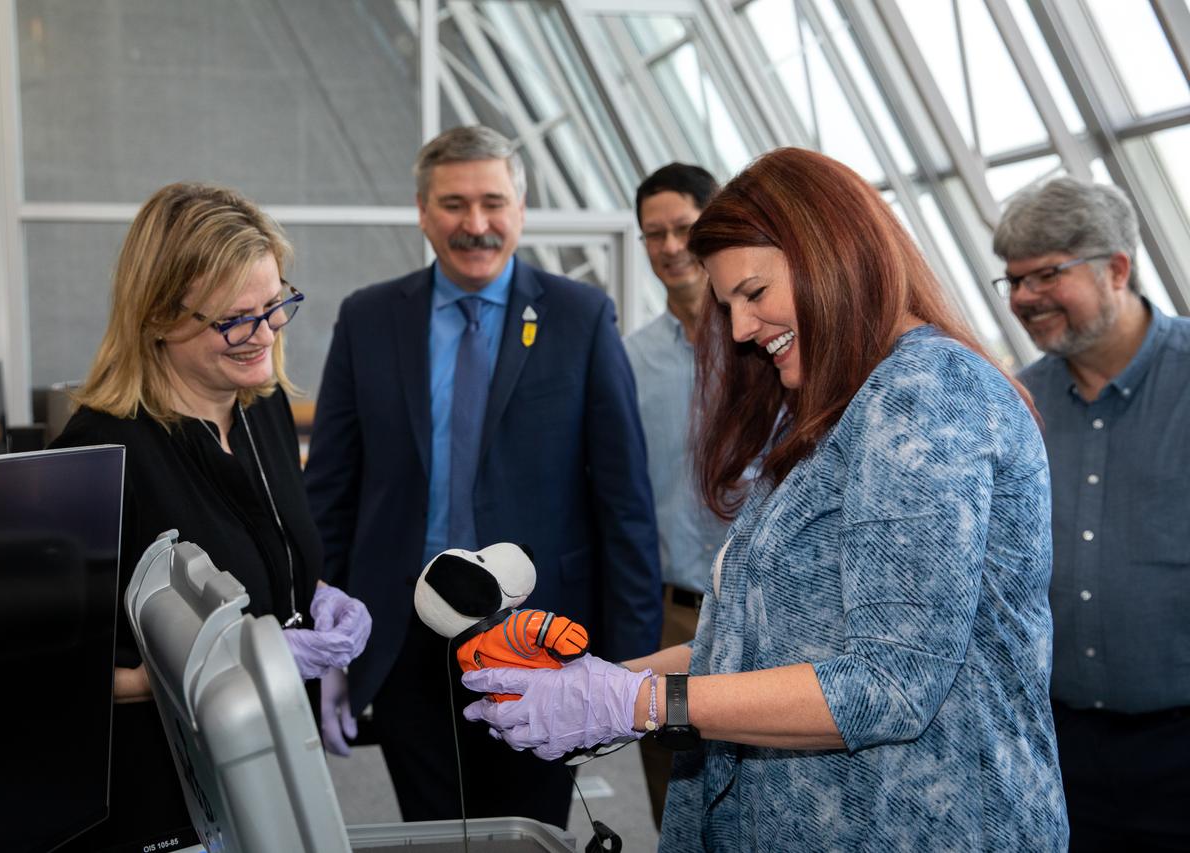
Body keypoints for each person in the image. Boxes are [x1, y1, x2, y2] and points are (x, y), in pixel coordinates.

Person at [462, 148, 1069, 850]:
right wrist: (598, 682)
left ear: (831, 254)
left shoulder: (927, 394)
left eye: (754, 292)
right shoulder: (828, 408)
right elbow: (761, 641)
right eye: (730, 307)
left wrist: (639, 702)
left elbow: (889, 681)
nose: (743, 328)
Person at [304, 125, 662, 828]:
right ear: (421, 210)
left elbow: (624, 500)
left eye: (493, 202)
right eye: (454, 204)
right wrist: (321, 638)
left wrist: (631, 662)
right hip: (404, 636)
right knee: (432, 832)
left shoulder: (580, 317)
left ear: (521, 210)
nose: (475, 224)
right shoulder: (369, 318)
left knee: (529, 831)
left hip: (537, 637)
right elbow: (332, 491)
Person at [50, 182, 370, 853]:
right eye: (235, 319)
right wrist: (221, 669)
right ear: (161, 317)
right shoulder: (99, 455)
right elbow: (47, 677)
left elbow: (267, 558)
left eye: (275, 304)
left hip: (273, 772)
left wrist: (311, 600)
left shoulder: (263, 409)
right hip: (163, 806)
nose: (263, 335)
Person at [992, 177, 1190, 851]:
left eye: (1046, 273)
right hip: (1057, 745)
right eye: (1013, 280)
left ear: (1118, 268)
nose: (1024, 298)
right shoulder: (1016, 404)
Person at [625, 162, 730, 827]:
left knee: (765, 798)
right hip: (669, 616)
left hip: (765, 614)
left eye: (684, 229)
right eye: (653, 235)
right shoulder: (626, 361)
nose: (669, 247)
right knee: (677, 806)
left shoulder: (772, 349)